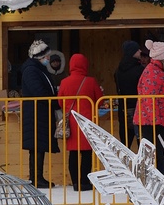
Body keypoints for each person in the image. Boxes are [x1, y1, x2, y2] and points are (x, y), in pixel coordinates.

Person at [134, 39, 164, 178]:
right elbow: (149, 99)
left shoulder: (159, 71)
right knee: (157, 157)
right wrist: (155, 121)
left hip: (163, 122)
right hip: (155, 123)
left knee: (162, 157)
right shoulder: (153, 72)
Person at [58, 53, 104, 192]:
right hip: (86, 121)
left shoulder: (64, 82)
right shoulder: (90, 81)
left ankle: (75, 183)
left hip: (71, 121)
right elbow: (100, 100)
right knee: (86, 153)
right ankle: (84, 182)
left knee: (73, 153)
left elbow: (60, 101)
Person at [19, 39, 58, 188]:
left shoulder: (38, 70)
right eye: (46, 57)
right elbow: (39, 92)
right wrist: (54, 100)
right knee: (36, 147)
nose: (48, 59)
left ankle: (38, 176)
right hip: (35, 113)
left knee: (39, 146)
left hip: (39, 113)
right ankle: (36, 177)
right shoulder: (31, 70)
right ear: (39, 57)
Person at [113, 40, 146, 145]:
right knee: (142, 142)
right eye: (137, 50)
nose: (140, 51)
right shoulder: (140, 70)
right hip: (139, 108)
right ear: (132, 52)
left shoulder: (118, 70)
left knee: (125, 143)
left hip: (124, 109)